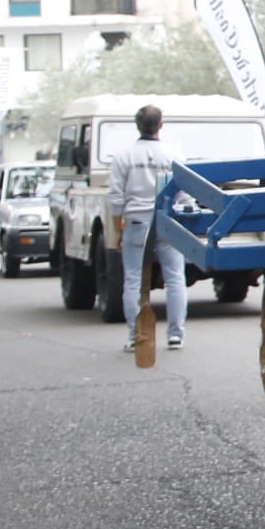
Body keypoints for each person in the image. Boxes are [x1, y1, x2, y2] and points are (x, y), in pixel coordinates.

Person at [108, 104, 186, 352]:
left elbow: (116, 198)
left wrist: (117, 231)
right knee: (175, 279)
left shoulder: (124, 156)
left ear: (137, 125)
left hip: (136, 221)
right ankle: (175, 335)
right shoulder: (173, 155)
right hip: (167, 220)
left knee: (132, 279)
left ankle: (134, 336)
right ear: (161, 125)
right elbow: (184, 195)